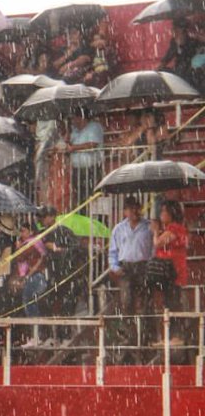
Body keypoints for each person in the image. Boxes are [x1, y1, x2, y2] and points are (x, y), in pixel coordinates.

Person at [108, 197, 154, 336]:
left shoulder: (149, 226)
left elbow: (154, 248)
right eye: (130, 208)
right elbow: (113, 251)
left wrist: (151, 264)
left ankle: (147, 333)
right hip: (126, 268)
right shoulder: (118, 229)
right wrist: (115, 267)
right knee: (126, 300)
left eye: (136, 208)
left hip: (144, 266)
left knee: (146, 301)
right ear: (124, 212)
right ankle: (129, 332)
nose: (134, 211)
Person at [151, 200, 188, 338]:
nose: (161, 214)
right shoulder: (170, 228)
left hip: (173, 271)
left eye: (164, 211)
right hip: (168, 271)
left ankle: (176, 334)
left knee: (173, 302)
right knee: (168, 301)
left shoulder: (175, 228)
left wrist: (155, 232)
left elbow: (158, 243)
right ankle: (171, 334)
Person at [62, 111, 104, 206]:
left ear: (81, 118)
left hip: (91, 169)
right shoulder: (74, 130)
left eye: (74, 118)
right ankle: (83, 214)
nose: (73, 121)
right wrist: (68, 133)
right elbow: (67, 143)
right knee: (79, 196)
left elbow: (93, 144)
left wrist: (74, 148)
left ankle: (96, 218)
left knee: (93, 195)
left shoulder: (94, 127)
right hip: (77, 169)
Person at [159, 19, 203, 87]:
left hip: (190, 72)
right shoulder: (174, 42)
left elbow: (190, 58)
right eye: (174, 31)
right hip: (178, 71)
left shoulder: (192, 42)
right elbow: (167, 57)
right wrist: (159, 68)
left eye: (178, 31)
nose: (175, 33)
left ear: (184, 31)